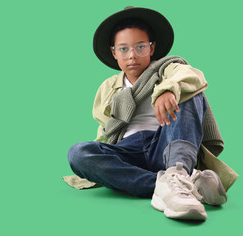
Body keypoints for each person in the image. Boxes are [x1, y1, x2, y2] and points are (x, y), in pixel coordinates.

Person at [64, 6, 238, 221]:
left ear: (152, 48)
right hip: (128, 151)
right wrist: (97, 159)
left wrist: (168, 89)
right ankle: (177, 185)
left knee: (190, 93)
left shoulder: (167, 69)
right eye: (124, 49)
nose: (132, 56)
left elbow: (192, 76)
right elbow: (106, 129)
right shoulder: (108, 87)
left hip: (166, 142)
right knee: (78, 152)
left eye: (140, 47)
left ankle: (177, 172)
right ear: (114, 52)